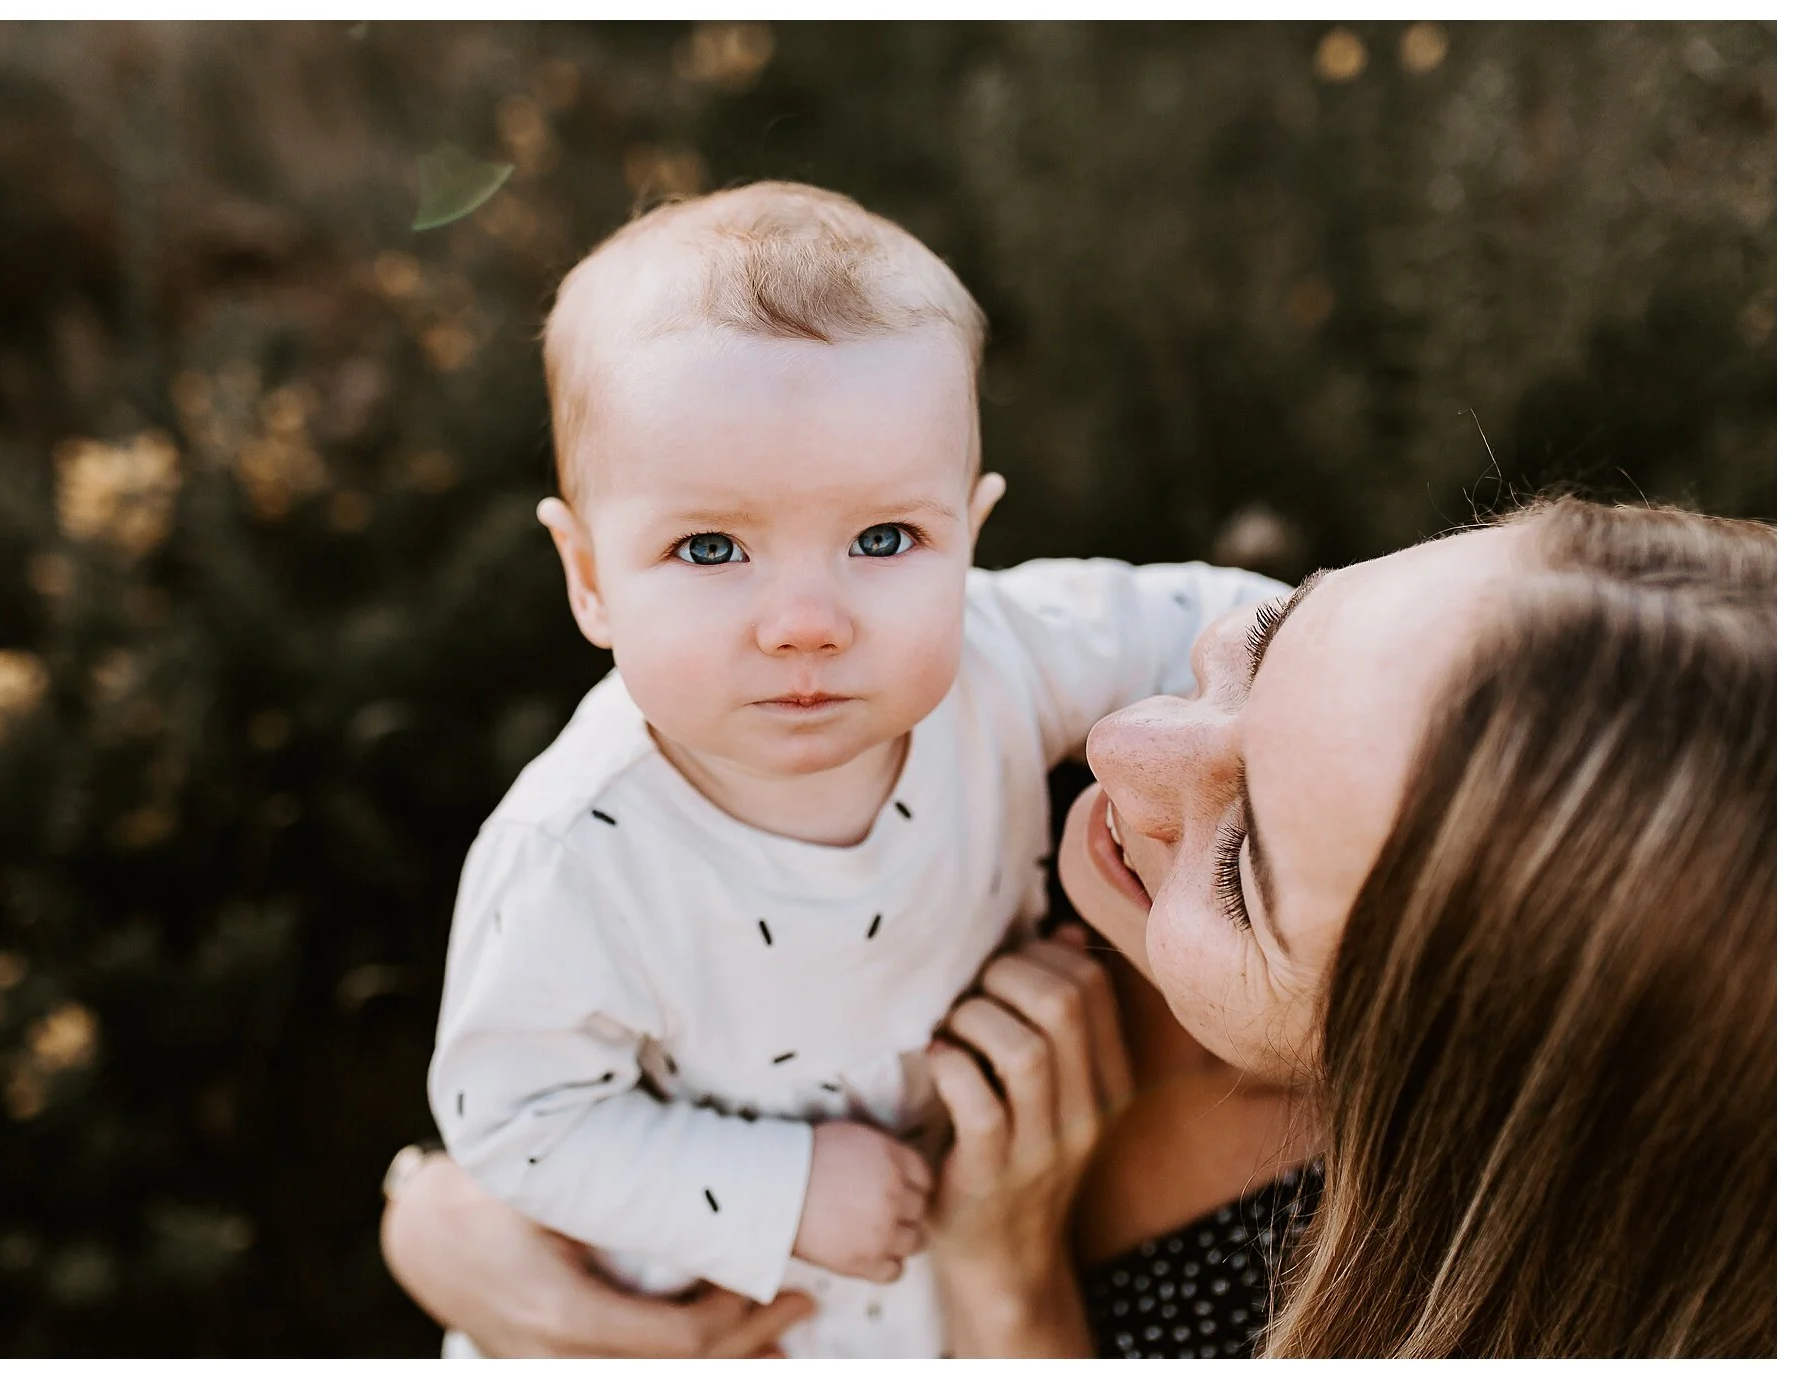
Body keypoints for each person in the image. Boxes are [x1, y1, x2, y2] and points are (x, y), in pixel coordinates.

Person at [385, 496, 1775, 1358]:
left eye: (1240, 869)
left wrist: (1006, 1289)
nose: (1120, 741)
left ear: (1444, 1090)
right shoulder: (1009, 699)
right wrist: (457, 1223)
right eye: (1268, 633)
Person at [425, 180, 1283, 1358]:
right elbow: (510, 1116)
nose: (806, 620)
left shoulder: (996, 653)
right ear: (586, 576)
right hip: (695, 1320)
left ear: (969, 538)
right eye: (710, 546)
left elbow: (1236, 622)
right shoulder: (579, 846)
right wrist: (777, 1187)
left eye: (884, 539)